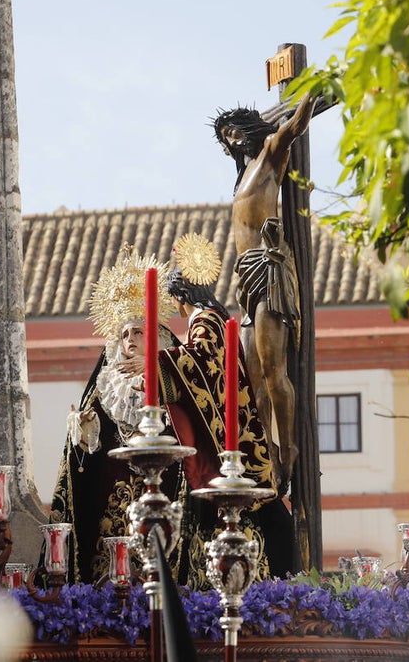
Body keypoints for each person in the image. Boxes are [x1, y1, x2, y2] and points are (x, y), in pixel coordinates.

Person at [116, 233, 297, 587]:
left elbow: (200, 362)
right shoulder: (210, 319)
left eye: (174, 300)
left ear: (181, 296)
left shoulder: (206, 321)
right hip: (230, 425)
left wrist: (154, 363)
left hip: (232, 436)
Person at [45, 247, 180, 584]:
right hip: (111, 494)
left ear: (156, 335)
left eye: (138, 331)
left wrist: (157, 371)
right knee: (112, 571)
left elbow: (191, 422)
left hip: (166, 487)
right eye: (125, 334)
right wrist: (83, 432)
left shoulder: (174, 376)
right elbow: (83, 454)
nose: (130, 339)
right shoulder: (107, 384)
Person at [213, 93, 318, 491]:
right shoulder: (242, 179)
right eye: (226, 137)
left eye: (234, 131)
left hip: (270, 270)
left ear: (250, 128)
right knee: (251, 377)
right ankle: (267, 452)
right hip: (247, 277)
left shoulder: (272, 153)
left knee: (275, 369)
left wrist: (310, 92)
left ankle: (287, 447)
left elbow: (296, 126)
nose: (233, 140)